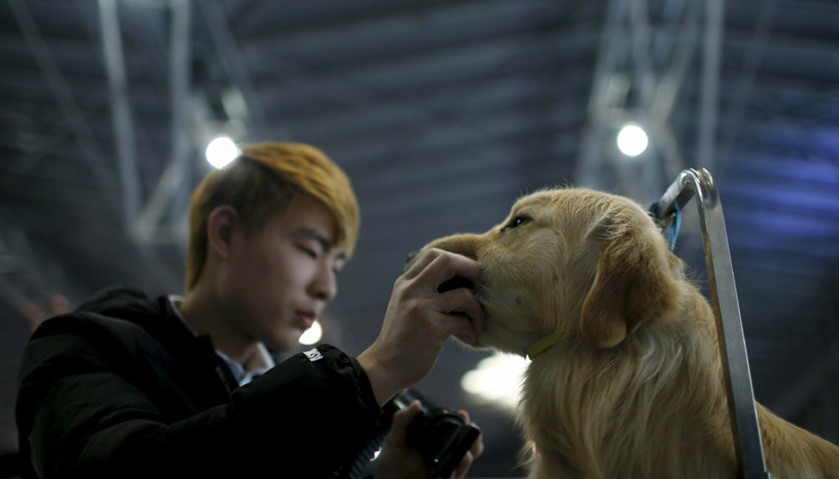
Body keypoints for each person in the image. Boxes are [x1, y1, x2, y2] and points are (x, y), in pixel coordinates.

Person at [15, 142, 485, 478]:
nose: (325, 287)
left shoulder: (287, 397)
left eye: (336, 264)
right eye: (308, 250)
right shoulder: (84, 348)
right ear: (225, 233)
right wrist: (377, 369)